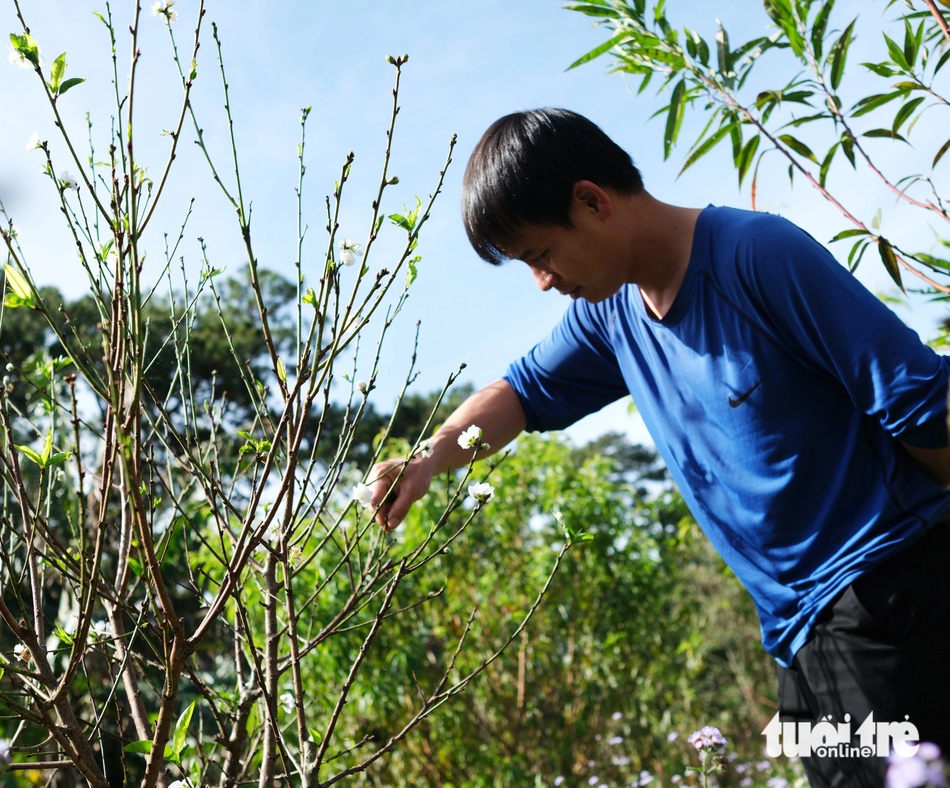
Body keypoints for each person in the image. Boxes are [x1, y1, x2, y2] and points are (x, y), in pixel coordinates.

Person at [368, 108, 950, 787]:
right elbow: (520, 393)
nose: (543, 282)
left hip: (889, 600)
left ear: (592, 201)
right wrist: (432, 456)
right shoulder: (612, 315)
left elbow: (922, 404)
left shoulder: (757, 256)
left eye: (540, 254)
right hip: (799, 642)